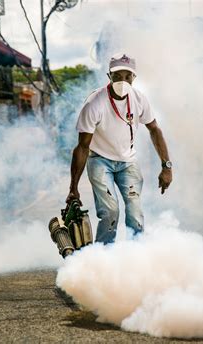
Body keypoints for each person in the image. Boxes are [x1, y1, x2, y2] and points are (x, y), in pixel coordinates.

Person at [66, 53, 172, 244]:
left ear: (134, 78)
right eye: (117, 76)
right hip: (99, 160)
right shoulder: (94, 104)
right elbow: (82, 147)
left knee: (135, 211)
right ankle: (104, 257)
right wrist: (73, 188)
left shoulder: (140, 99)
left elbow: (155, 130)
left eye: (127, 76)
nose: (122, 81)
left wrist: (167, 166)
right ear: (109, 76)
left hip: (127, 162)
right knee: (110, 212)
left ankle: (134, 257)